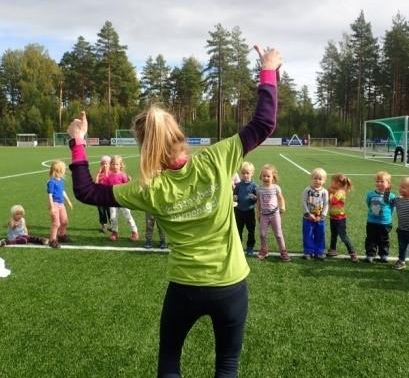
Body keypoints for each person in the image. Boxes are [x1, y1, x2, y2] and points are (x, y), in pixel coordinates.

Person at [67, 45, 282, 378]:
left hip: (185, 287)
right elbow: (265, 122)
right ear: (179, 133)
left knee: (169, 361)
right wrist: (269, 69)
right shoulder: (216, 158)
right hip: (230, 284)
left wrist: (78, 141)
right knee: (227, 365)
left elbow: (86, 191)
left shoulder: (148, 188)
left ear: (145, 146)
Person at [256, 164, 290, 261]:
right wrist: (257, 213)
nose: (266, 178)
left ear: (273, 177)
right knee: (262, 234)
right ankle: (264, 250)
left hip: (275, 214)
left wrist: (282, 206)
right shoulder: (259, 189)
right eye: (264, 176)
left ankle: (283, 252)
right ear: (261, 176)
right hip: (264, 215)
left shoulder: (276, 188)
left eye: (268, 176)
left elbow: (281, 198)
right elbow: (258, 202)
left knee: (278, 234)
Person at [326, 174, 359, 262]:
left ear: (338, 183)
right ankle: (333, 250)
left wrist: (329, 191)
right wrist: (331, 191)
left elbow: (333, 201)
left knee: (343, 236)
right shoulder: (336, 190)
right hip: (333, 217)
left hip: (340, 219)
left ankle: (352, 252)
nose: (331, 183)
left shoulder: (340, 192)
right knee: (333, 234)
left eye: (332, 182)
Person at [364, 171, 395, 263]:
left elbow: (392, 208)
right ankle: (370, 254)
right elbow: (369, 204)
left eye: (382, 181)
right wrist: (374, 212)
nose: (379, 183)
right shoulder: (370, 194)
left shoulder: (389, 195)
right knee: (371, 238)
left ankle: (383, 254)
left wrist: (387, 217)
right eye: (377, 181)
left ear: (388, 183)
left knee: (384, 239)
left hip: (385, 223)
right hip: (372, 221)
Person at [106, 155, 139, 242]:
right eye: (113, 164)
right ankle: (114, 232)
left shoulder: (123, 175)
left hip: (123, 200)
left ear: (121, 165)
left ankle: (134, 231)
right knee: (113, 217)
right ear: (111, 165)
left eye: (117, 164)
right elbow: (107, 187)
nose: (115, 166)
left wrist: (129, 182)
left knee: (127, 215)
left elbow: (127, 187)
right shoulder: (109, 175)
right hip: (112, 200)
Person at [301, 168, 329, 260]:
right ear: (311, 179)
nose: (317, 181)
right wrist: (308, 214)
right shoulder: (307, 190)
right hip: (308, 218)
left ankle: (319, 252)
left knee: (320, 234)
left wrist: (322, 216)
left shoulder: (324, 192)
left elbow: (326, 204)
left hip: (320, 219)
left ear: (324, 181)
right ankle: (308, 251)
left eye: (320, 179)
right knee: (308, 234)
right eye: (315, 178)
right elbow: (303, 202)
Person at [233, 161, 257, 256]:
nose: (245, 175)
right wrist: (235, 197)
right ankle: (238, 246)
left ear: (252, 174)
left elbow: (257, 198)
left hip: (250, 211)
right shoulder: (238, 185)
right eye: (243, 173)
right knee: (238, 230)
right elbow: (235, 194)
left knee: (251, 230)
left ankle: (250, 247)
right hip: (239, 211)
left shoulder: (254, 186)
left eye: (247, 173)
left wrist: (255, 198)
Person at [47, 160, 73, 248]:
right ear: (58, 170)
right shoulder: (51, 182)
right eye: (63, 168)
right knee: (56, 223)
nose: (65, 170)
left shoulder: (61, 181)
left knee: (65, 221)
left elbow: (62, 192)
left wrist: (68, 201)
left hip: (61, 204)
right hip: (54, 204)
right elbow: (50, 195)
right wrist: (51, 207)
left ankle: (62, 235)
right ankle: (52, 240)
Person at [386, 177, 409, 269]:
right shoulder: (397, 199)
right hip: (402, 230)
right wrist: (387, 191)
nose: (400, 189)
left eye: (403, 187)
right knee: (402, 247)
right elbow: (386, 201)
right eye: (400, 186)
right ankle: (401, 261)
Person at [95, 155, 111, 233]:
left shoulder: (111, 173)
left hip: (109, 197)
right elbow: (96, 183)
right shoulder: (99, 174)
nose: (104, 165)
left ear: (109, 164)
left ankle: (113, 225)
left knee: (110, 211)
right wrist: (98, 174)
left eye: (106, 163)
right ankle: (104, 225)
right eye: (103, 163)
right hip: (100, 196)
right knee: (101, 211)